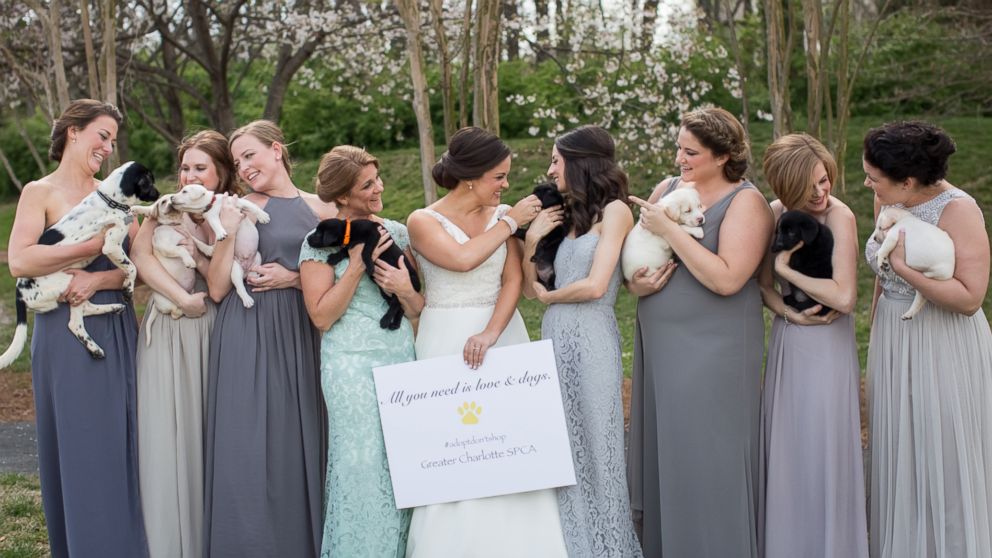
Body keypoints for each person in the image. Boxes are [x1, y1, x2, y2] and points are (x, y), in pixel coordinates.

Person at [404, 126, 566, 557]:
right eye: (499, 176)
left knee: (509, 444)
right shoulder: (422, 220)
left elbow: (512, 279)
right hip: (443, 338)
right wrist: (512, 221)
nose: (506, 185)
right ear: (471, 177)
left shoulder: (502, 216)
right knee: (451, 446)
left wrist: (492, 332)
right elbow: (461, 259)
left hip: (501, 334)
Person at [626, 107, 772, 557]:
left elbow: (728, 278)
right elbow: (638, 251)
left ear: (723, 155)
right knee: (670, 453)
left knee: (710, 454)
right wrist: (635, 283)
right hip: (662, 343)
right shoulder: (668, 189)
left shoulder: (746, 202)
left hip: (715, 349)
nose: (679, 159)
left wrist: (670, 228)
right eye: (678, 148)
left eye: (690, 152)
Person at [7, 99, 148, 557]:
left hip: (114, 324)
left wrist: (96, 277)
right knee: (78, 447)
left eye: (112, 140)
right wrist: (86, 246)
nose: (108, 147)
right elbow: (21, 260)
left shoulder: (115, 194)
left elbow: (136, 272)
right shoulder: (39, 192)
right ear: (72, 131)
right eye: (101, 135)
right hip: (63, 338)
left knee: (120, 444)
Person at [203, 120, 336, 558]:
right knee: (247, 443)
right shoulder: (237, 207)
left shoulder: (323, 208)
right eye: (238, 161)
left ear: (277, 150)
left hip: (302, 332)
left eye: (250, 156)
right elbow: (218, 289)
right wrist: (224, 229)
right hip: (247, 329)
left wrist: (296, 278)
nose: (243, 167)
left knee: (297, 443)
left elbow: (344, 278)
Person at [862, 121, 992, 558]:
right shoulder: (888, 196)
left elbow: (970, 297)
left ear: (909, 181)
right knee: (904, 458)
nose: (867, 184)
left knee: (946, 459)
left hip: (943, 342)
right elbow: (880, 263)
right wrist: (878, 318)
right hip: (894, 340)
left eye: (874, 178)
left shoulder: (959, 211)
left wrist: (904, 270)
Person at [521, 125, 642, 558]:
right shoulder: (567, 216)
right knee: (562, 447)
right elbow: (528, 284)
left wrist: (549, 297)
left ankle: (610, 546)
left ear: (580, 162)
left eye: (557, 160)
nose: (551, 169)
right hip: (554, 336)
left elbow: (594, 286)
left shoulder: (617, 212)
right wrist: (531, 240)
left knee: (599, 443)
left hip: (592, 337)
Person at [299, 145, 423, 557]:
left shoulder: (398, 233)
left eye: (377, 178)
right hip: (349, 366)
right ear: (343, 196)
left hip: (399, 355)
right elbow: (321, 317)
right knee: (362, 465)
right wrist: (354, 265)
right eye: (367, 185)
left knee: (403, 465)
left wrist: (404, 290)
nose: (378, 188)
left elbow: (419, 308)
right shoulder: (318, 243)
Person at [132, 129, 245, 558]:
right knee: (165, 431)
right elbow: (142, 257)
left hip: (216, 330)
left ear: (221, 174)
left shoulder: (232, 213)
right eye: (184, 167)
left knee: (211, 434)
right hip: (170, 325)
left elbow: (226, 277)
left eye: (200, 168)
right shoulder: (163, 210)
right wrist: (181, 298)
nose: (189, 176)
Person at [756, 133, 868, 558]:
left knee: (824, 447)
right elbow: (763, 288)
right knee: (789, 449)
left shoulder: (840, 216)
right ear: (787, 189)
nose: (822, 193)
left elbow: (843, 297)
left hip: (829, 346)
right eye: (811, 187)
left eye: (826, 180)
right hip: (791, 338)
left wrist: (788, 268)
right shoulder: (773, 214)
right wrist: (788, 313)